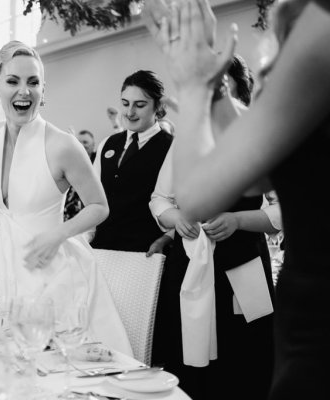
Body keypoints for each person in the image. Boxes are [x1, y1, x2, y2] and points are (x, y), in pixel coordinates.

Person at [144, 0, 330, 398]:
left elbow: (197, 196)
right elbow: (262, 171)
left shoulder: (320, 27)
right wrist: (214, 92)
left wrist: (194, 85)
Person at [0, 40, 131, 355]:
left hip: (45, 272)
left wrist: (59, 234)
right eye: (13, 81)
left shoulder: (63, 145)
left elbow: (99, 206)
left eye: (33, 82)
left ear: (44, 90)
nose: (24, 91)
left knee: (47, 364)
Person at [149, 54, 278, 400]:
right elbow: (160, 199)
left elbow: (284, 210)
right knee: (189, 361)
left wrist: (238, 220)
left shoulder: (258, 133)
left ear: (239, 88)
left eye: (222, 84)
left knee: (244, 359)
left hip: (243, 265)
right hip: (191, 263)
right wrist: (179, 220)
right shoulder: (186, 139)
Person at [91, 70, 173, 255]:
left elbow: (181, 206)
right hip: (102, 248)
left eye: (140, 105)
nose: (130, 112)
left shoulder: (171, 147)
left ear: (157, 106)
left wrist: (169, 237)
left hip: (146, 251)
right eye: (125, 104)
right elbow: (94, 199)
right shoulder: (108, 144)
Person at [63, 129, 97, 221]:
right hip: (66, 214)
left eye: (85, 142)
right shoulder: (69, 161)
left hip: (87, 215)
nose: (81, 145)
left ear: (93, 145)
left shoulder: (98, 161)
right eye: (78, 142)